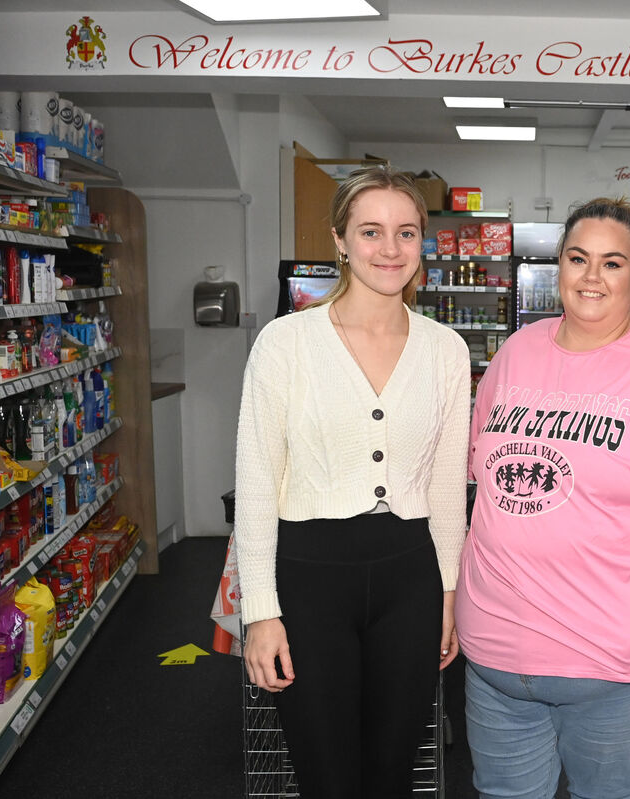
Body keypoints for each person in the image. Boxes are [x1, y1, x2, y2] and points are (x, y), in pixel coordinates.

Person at [456, 197, 630, 799]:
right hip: (494, 654)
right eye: (578, 258)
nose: (591, 277)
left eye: (612, 263)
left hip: (611, 662)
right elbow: (481, 478)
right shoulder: (516, 353)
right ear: (558, 264)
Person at [233, 164, 469, 798]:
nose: (389, 250)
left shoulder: (446, 349)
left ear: (424, 242)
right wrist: (260, 613)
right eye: (370, 231)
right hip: (311, 577)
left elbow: (447, 487)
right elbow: (257, 481)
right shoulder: (284, 343)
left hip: (410, 577)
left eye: (406, 232)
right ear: (339, 240)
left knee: (393, 773)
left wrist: (448, 598)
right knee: (327, 777)